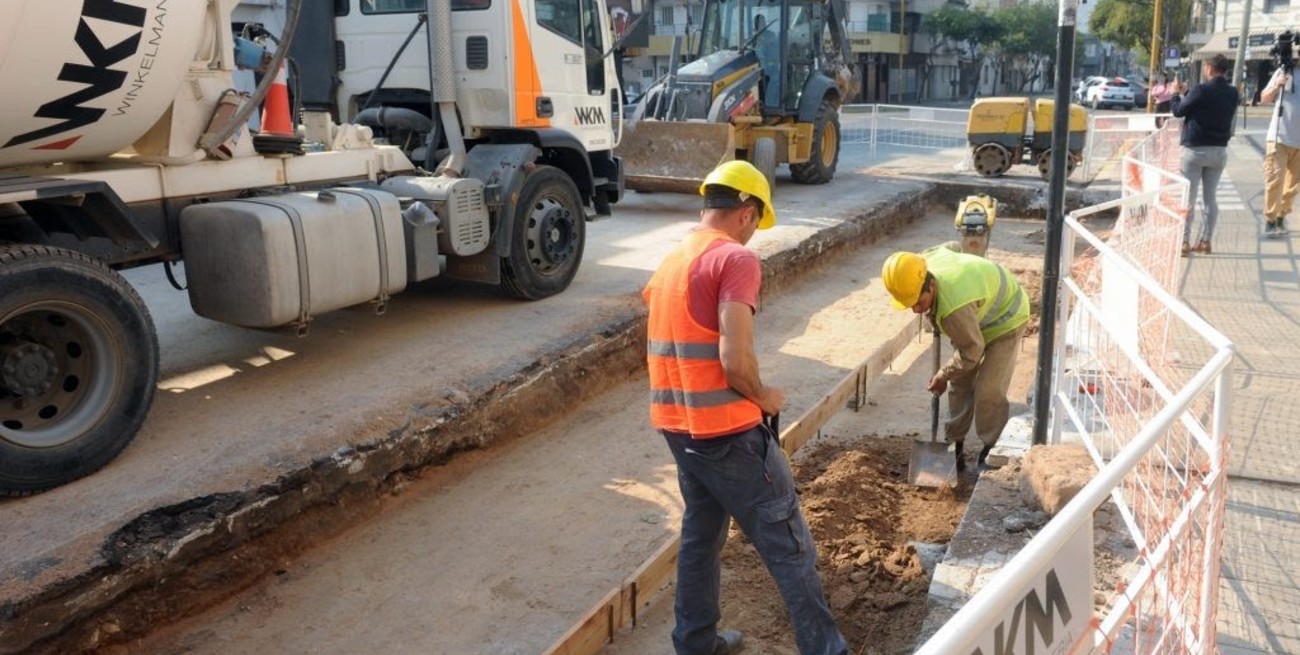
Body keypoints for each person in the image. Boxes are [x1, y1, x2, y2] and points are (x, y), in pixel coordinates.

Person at [643, 160, 848, 655]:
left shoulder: (675, 258)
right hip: (727, 434)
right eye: (757, 223)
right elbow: (734, 360)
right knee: (789, 545)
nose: (754, 235)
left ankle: (696, 643)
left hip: (679, 428)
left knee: (702, 536)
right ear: (747, 212)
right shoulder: (735, 259)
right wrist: (763, 396)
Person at [881, 248, 1029, 472]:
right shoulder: (918, 268)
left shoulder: (954, 309)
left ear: (931, 285)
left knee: (989, 389)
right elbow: (944, 249)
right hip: (973, 314)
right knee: (960, 383)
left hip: (1006, 318)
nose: (916, 310)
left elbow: (972, 351)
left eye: (919, 303)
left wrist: (943, 374)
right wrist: (949, 373)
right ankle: (954, 446)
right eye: (910, 304)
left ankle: (992, 449)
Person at [1170, 54, 1239, 254]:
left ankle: (1184, 242)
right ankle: (1206, 241)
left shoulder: (1201, 90)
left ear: (1208, 68)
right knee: (1210, 199)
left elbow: (1178, 111)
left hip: (1195, 151)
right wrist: (1188, 92)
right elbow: (1211, 101)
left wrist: (1175, 93)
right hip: (1219, 152)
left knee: (1188, 199)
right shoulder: (1233, 93)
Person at [1261, 60, 1300, 237]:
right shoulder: (1284, 71)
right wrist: (1277, 86)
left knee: (1293, 186)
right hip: (1279, 137)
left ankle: (1281, 217)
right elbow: (1264, 98)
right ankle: (1270, 220)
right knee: (1275, 180)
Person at [753, 14, 780, 107]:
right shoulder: (752, 38)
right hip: (755, 69)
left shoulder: (771, 36)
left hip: (770, 69)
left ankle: (771, 106)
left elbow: (776, 53)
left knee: (773, 82)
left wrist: (767, 43)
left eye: (762, 22)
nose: (760, 24)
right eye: (758, 23)